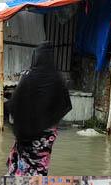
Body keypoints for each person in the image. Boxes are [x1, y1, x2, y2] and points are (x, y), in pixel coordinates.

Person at [6, 42, 72, 176]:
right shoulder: (57, 79)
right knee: (40, 164)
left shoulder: (27, 76)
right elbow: (65, 105)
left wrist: (24, 123)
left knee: (23, 165)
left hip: (26, 133)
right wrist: (48, 120)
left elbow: (14, 103)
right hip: (46, 136)